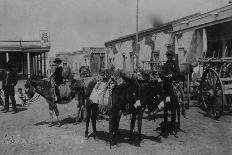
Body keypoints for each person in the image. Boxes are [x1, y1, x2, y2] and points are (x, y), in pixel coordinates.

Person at [151, 50, 180, 120]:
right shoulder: (166, 64)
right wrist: (160, 74)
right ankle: (159, 102)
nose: (168, 57)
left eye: (170, 56)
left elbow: (177, 72)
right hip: (166, 81)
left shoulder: (175, 63)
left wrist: (172, 75)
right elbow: (163, 71)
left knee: (176, 92)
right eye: (168, 56)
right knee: (159, 87)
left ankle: (178, 101)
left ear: (172, 56)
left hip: (173, 81)